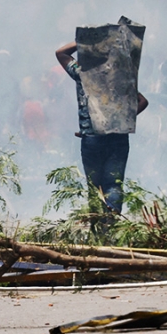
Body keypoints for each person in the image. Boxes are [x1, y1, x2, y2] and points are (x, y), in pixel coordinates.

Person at [56, 40, 148, 216]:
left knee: (95, 186)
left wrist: (85, 40)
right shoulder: (120, 75)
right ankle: (112, 222)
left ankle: (98, 224)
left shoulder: (84, 73)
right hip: (118, 136)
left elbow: (61, 53)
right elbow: (142, 101)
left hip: (92, 137)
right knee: (114, 183)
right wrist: (121, 120)